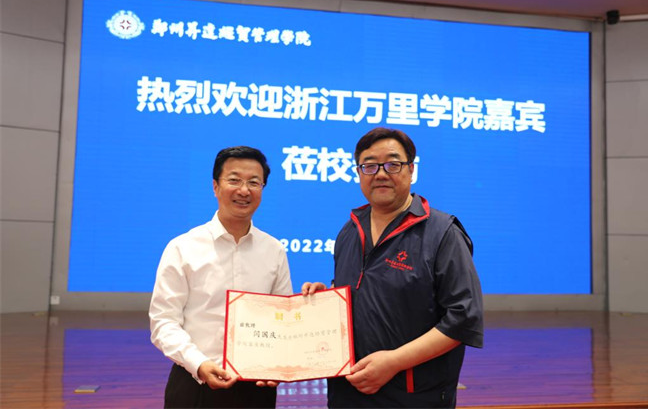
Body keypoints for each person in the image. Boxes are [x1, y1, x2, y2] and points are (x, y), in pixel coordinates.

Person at [303, 127, 483, 408]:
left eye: (392, 164)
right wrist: (326, 298)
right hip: (348, 391)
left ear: (411, 170)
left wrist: (394, 362)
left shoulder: (442, 233)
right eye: (369, 165)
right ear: (359, 173)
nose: (380, 173)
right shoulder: (350, 230)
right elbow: (362, 293)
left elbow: (463, 318)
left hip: (413, 395)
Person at [149, 146, 293, 408]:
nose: (244, 190)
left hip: (256, 388)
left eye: (254, 182)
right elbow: (163, 322)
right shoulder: (183, 247)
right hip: (195, 383)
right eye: (234, 180)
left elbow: (282, 319)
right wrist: (199, 364)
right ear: (215, 186)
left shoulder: (274, 250)